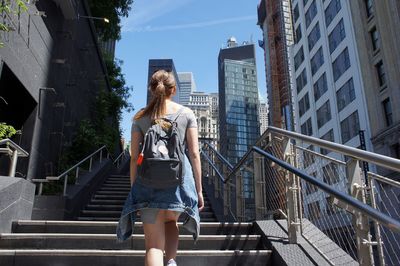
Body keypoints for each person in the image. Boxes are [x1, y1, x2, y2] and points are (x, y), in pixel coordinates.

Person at [117, 69, 204, 266]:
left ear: (152, 90)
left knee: (153, 246)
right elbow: (195, 154)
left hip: (146, 182)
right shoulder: (187, 113)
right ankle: (171, 261)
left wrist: (134, 189)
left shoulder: (140, 118)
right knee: (171, 221)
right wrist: (199, 190)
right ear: (173, 90)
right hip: (179, 182)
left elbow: (133, 158)